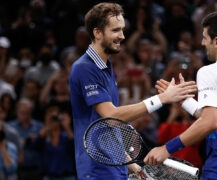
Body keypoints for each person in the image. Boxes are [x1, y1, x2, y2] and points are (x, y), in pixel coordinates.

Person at [68, 2, 197, 180]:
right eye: (115, 30)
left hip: (116, 169)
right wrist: (162, 98)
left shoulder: (105, 65)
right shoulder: (85, 68)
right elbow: (111, 117)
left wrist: (133, 166)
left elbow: (107, 131)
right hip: (97, 170)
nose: (121, 36)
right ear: (97, 32)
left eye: (122, 29)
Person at [143, 11, 217, 180]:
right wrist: (183, 100)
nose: (202, 42)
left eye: (205, 37)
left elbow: (210, 122)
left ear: (216, 42)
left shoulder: (209, 72)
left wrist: (166, 149)